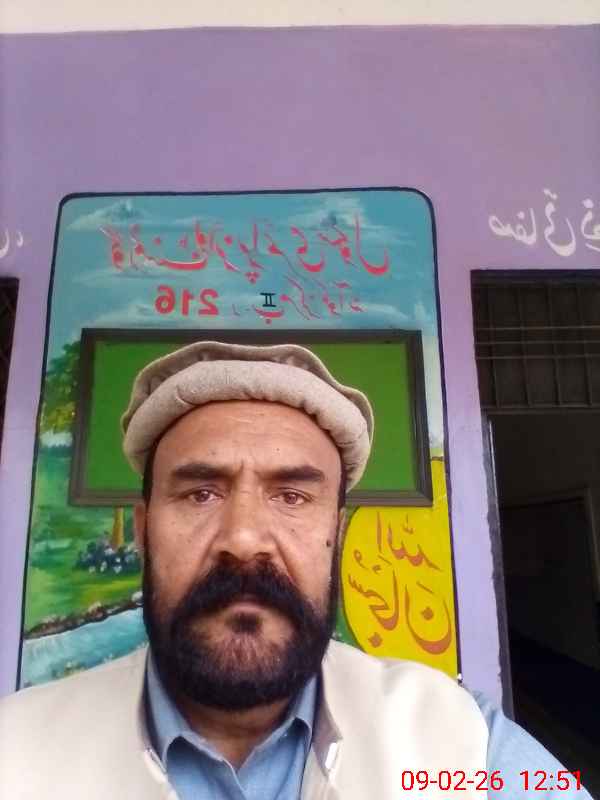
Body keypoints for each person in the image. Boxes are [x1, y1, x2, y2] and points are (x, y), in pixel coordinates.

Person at [0, 340, 593, 800]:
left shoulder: (462, 742)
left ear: (336, 530)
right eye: (201, 493)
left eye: (292, 496)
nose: (243, 539)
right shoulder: (16, 751)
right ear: (144, 526)